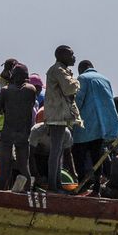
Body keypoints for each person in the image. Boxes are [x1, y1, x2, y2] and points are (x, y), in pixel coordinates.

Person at [41, 45, 81, 190]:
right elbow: (69, 88)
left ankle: (56, 183)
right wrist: (76, 82)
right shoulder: (58, 70)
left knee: (58, 152)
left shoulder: (62, 70)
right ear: (62, 56)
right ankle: (53, 185)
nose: (73, 57)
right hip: (56, 116)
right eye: (71, 55)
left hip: (59, 116)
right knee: (56, 152)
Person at [71, 60, 118, 181]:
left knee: (79, 155)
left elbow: (77, 102)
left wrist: (70, 120)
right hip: (101, 127)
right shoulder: (105, 80)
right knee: (97, 158)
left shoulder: (82, 78)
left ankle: (81, 183)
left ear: (81, 69)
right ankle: (96, 188)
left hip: (85, 127)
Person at [0, 63, 38, 191]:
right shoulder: (31, 90)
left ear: (12, 75)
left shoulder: (5, 90)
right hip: (23, 133)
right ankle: (27, 194)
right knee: (24, 167)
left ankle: (0, 195)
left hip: (7, 133)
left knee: (4, 169)